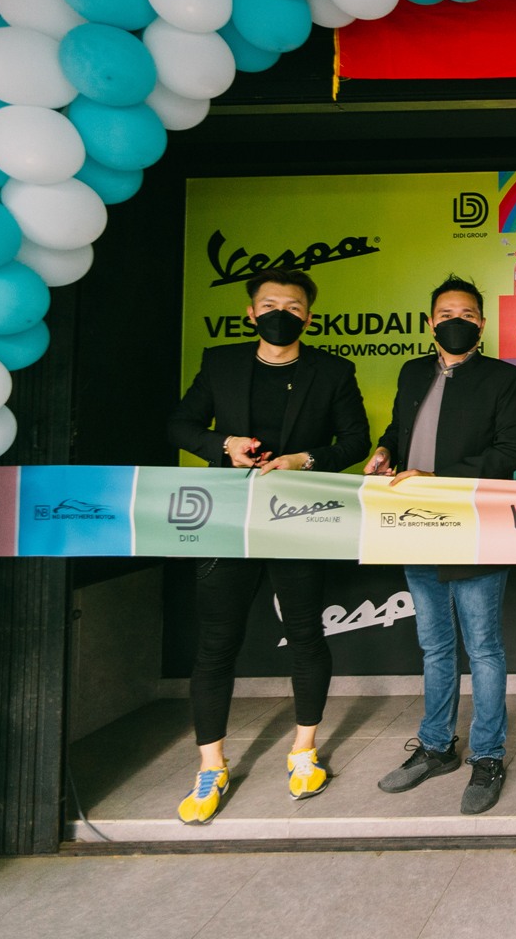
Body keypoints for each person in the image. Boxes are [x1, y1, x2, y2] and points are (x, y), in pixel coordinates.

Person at [166, 269, 370, 825]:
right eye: (270, 303)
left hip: (298, 515)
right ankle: (211, 764)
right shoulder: (220, 363)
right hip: (228, 516)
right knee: (216, 642)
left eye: (294, 305)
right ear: (251, 312)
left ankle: (304, 750)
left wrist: (305, 459)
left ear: (309, 316)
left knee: (305, 633)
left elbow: (354, 439)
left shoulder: (332, 371)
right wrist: (223, 444)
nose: (282, 312)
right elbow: (180, 425)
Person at [366, 275, 516, 816]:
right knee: (435, 647)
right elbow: (398, 430)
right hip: (415, 527)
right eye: (445, 314)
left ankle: (487, 756)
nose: (455, 321)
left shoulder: (506, 378)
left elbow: (509, 452)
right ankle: (436, 747)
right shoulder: (412, 372)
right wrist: (385, 453)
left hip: (474, 527)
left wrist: (437, 479)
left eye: (466, 314)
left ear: (482, 323)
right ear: (430, 322)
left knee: (483, 648)